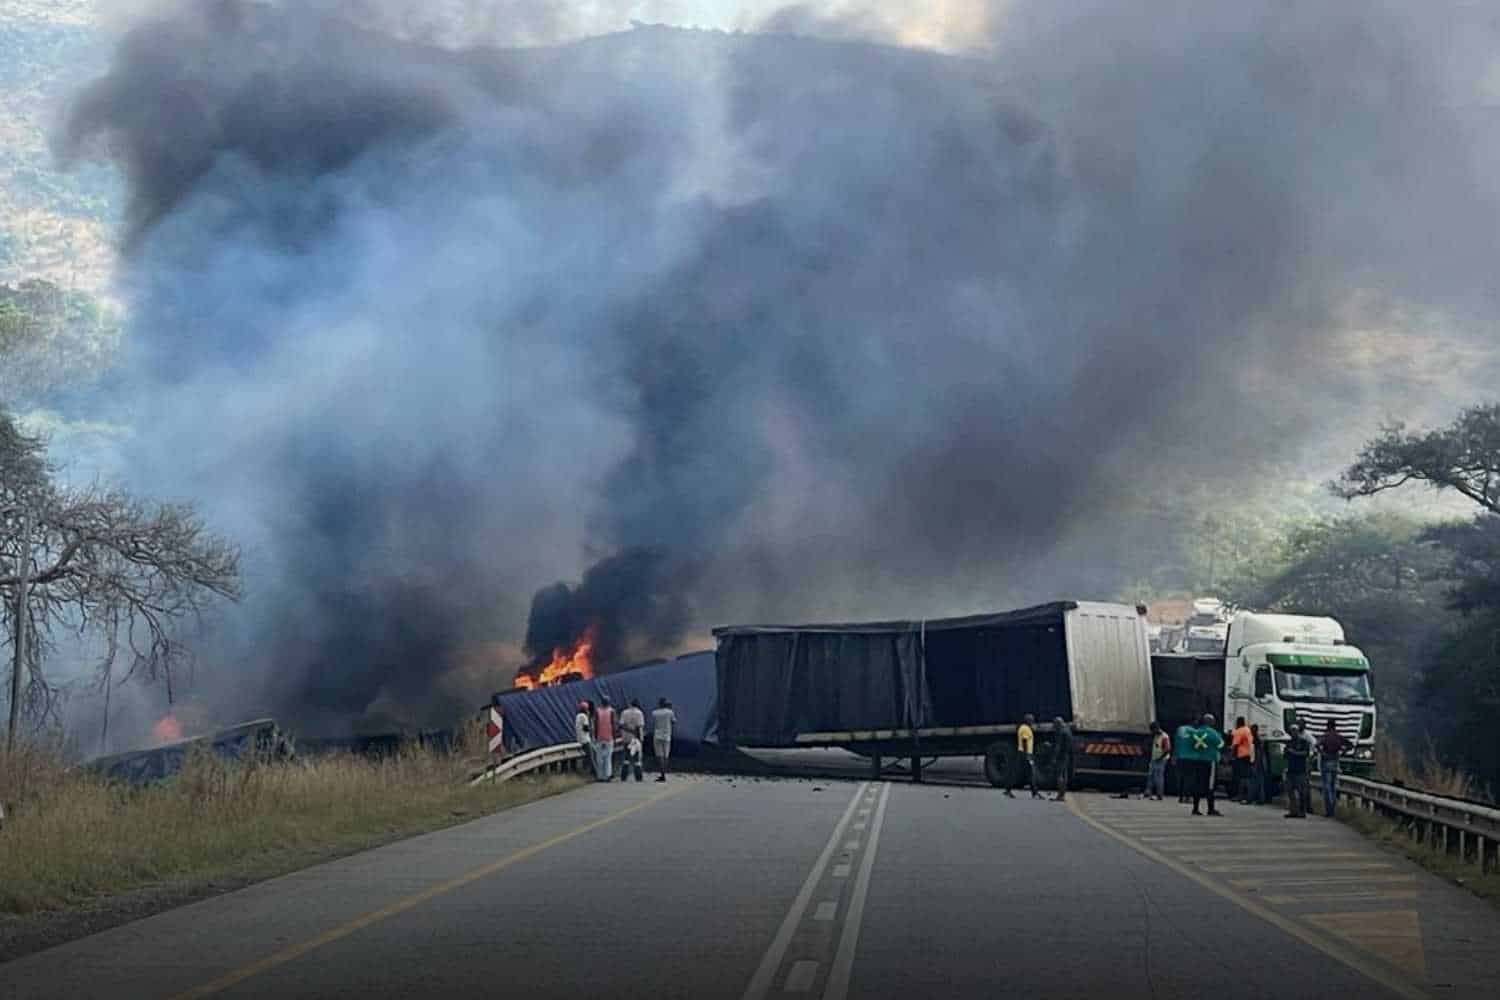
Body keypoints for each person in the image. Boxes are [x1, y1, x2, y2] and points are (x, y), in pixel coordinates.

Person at [1185, 714, 1225, 816]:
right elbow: (1220, 744)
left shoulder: (1195, 732)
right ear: (1210, 722)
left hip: (1197, 761)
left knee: (1197, 784)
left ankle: (1195, 809)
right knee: (1210, 785)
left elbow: (1190, 745)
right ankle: (1211, 809)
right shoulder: (1213, 733)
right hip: (1210, 761)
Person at [1316, 719, 1349, 817]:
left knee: (1326, 786)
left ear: (1327, 726)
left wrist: (1322, 753)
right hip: (1335, 762)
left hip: (1326, 762)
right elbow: (1350, 745)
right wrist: (1343, 751)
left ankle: (1329, 809)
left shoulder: (1325, 736)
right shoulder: (1338, 737)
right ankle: (1333, 809)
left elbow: (1317, 744)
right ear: (1335, 726)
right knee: (1333, 786)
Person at [1005, 713, 1041, 799]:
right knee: (1029, 773)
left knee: (1026, 773)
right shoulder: (1025, 728)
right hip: (1024, 754)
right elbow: (1024, 741)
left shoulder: (1023, 727)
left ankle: (1034, 792)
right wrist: (1027, 756)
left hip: (1024, 753)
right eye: (1031, 720)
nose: (1033, 722)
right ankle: (1034, 792)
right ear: (1027, 721)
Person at [1284, 724, 1311, 818]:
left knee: (1301, 792)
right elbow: (1285, 755)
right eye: (1292, 731)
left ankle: (1302, 812)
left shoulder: (1304, 742)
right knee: (1290, 792)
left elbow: (1306, 753)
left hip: (1300, 770)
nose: (1293, 733)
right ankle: (1293, 811)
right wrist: (1287, 752)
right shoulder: (1289, 742)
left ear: (1298, 732)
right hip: (1291, 769)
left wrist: (1294, 753)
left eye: (1295, 731)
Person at [618, 698, 647, 782]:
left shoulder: (624, 712)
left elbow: (621, 725)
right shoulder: (639, 713)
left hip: (626, 737)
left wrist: (628, 730)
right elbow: (639, 726)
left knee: (626, 757)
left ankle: (623, 776)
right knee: (636, 758)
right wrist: (639, 738)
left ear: (631, 704)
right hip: (635, 738)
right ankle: (638, 777)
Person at [651, 697, 677, 782]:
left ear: (659, 704)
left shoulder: (654, 712)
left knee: (660, 755)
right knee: (666, 755)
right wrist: (670, 709)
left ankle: (662, 773)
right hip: (667, 736)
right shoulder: (670, 712)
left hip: (657, 735)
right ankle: (664, 772)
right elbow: (674, 721)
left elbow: (654, 721)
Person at [592, 697, 616, 782]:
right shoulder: (612, 711)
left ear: (601, 702)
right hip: (609, 737)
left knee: (599, 758)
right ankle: (607, 775)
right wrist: (614, 736)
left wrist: (595, 736)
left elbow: (595, 724)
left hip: (599, 737)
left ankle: (600, 776)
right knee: (608, 758)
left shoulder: (597, 711)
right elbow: (613, 724)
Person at [1144, 721, 1170, 800]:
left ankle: (1159, 794)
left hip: (1161, 760)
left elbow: (1167, 749)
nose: (1151, 732)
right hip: (1154, 759)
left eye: (1152, 730)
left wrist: (1160, 758)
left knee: (1158, 777)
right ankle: (1148, 792)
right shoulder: (1156, 735)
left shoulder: (1164, 736)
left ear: (1156, 728)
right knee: (1150, 775)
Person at [1230, 716, 1254, 804]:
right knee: (1246, 776)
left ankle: (1243, 796)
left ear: (1238, 722)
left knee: (1242, 777)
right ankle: (1245, 796)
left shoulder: (1239, 731)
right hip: (1249, 755)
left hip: (1241, 755)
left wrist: (1233, 756)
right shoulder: (1247, 730)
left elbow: (1236, 745)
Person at [1050, 717, 1074, 801]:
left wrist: (1054, 758)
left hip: (1061, 756)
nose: (1054, 727)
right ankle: (1063, 795)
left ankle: (1060, 795)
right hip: (1067, 755)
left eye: (1055, 725)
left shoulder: (1061, 732)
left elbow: (1058, 746)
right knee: (1064, 775)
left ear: (1058, 724)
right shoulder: (1068, 731)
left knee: (1059, 775)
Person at [1250, 723, 1269, 805]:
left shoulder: (1257, 739)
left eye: (1252, 729)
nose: (1251, 730)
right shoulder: (1257, 738)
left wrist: (1255, 764)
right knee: (1257, 781)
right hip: (1258, 762)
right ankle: (1258, 798)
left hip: (1259, 763)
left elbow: (1259, 752)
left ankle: (1260, 799)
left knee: (1259, 782)